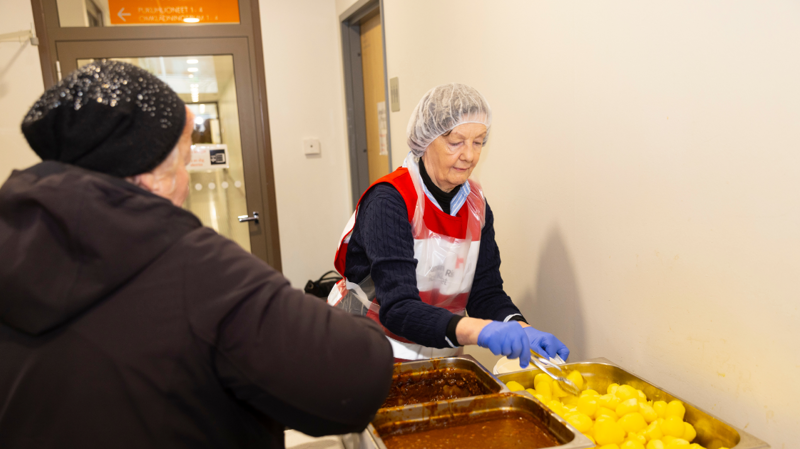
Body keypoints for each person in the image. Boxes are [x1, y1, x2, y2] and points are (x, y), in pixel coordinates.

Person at [0, 60, 394, 448]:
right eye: (183, 164)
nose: (186, 184)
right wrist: (351, 320)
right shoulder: (195, 268)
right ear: (146, 176)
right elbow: (355, 381)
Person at [328, 83, 570, 366]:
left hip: (437, 355)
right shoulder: (389, 201)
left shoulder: (476, 207)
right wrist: (478, 331)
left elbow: (485, 291)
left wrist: (519, 327)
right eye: (456, 142)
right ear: (426, 139)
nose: (469, 155)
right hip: (365, 353)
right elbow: (397, 307)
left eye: (478, 141)